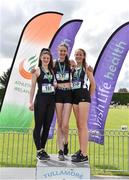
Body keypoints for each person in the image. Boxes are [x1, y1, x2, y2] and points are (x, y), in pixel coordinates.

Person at [29, 48, 55, 161]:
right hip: (40, 101)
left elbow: (53, 83)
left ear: (50, 59)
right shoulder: (37, 70)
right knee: (38, 126)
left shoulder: (52, 70)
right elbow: (33, 87)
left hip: (51, 101)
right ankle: (38, 150)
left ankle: (43, 149)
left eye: (48, 58)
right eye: (44, 58)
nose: (46, 59)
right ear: (41, 58)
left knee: (47, 126)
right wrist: (30, 102)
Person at [71, 48, 96, 163]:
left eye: (80, 55)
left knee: (83, 124)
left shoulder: (87, 68)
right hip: (74, 97)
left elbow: (93, 84)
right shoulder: (73, 69)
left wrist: (88, 97)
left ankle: (84, 154)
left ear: (84, 56)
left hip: (83, 96)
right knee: (78, 125)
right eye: (76, 55)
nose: (78, 56)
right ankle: (81, 150)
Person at [53, 43, 72, 161]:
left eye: (64, 51)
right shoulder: (54, 64)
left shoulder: (71, 63)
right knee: (59, 124)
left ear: (67, 51)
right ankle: (60, 150)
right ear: (57, 51)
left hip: (68, 94)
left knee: (65, 124)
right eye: (61, 51)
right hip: (58, 94)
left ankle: (66, 142)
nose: (62, 53)